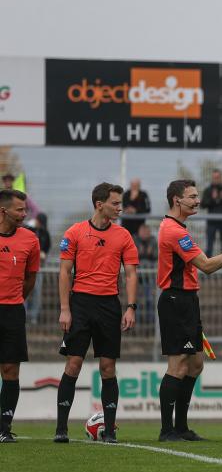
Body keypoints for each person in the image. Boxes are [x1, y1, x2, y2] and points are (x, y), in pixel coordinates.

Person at [155, 180, 222, 442]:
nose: (197, 200)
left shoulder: (178, 228)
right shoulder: (174, 231)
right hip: (176, 301)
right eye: (191, 196)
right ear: (176, 200)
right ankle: (167, 430)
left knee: (195, 364)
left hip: (187, 301)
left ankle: (181, 427)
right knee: (178, 365)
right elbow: (208, 266)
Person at [55, 183, 139, 444]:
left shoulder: (124, 235)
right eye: (115, 203)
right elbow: (65, 272)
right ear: (99, 204)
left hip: (109, 306)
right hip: (80, 305)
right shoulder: (75, 232)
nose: (119, 207)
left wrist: (130, 307)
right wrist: (65, 309)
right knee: (73, 364)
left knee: (108, 367)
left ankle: (110, 430)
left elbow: (131, 273)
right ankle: (61, 429)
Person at [0, 189, 41, 443]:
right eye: (19, 210)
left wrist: (15, 300)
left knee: (11, 370)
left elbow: (31, 278)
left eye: (25, 209)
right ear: (4, 211)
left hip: (13, 311)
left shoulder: (30, 240)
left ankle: (3, 427)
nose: (24, 214)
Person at [200, 169, 222, 257]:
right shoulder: (208, 190)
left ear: (221, 178)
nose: (216, 179)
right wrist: (213, 198)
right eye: (214, 177)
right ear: (212, 178)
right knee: (209, 247)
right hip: (211, 222)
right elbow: (203, 205)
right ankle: (208, 267)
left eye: (218, 177)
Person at [24, 212, 50, 324]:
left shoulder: (44, 232)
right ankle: (23, 314)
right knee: (24, 290)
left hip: (39, 266)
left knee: (36, 292)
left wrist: (43, 253)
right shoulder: (28, 229)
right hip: (26, 266)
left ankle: (33, 316)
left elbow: (47, 245)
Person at [133, 223, 158, 325]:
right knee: (136, 300)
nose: (144, 234)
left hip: (150, 277)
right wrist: (143, 253)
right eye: (142, 231)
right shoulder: (135, 240)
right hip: (137, 277)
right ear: (139, 232)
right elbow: (132, 256)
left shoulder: (153, 241)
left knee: (150, 300)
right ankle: (137, 322)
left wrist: (149, 254)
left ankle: (150, 322)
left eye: (146, 231)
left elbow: (156, 255)